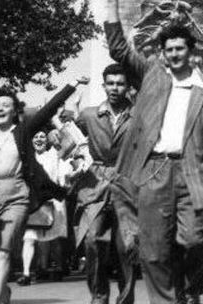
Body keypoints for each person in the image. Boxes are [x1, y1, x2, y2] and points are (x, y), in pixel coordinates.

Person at [103, 0, 203, 304]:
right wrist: (112, 3)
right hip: (154, 172)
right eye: (169, 49)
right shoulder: (151, 75)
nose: (175, 54)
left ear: (191, 53)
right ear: (162, 53)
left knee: (193, 240)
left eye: (180, 49)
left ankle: (191, 288)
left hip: (192, 173)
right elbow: (119, 48)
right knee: (154, 249)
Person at [0, 81, 83, 304]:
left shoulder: (22, 132)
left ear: (15, 111)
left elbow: (47, 110)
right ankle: (3, 294)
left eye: (7, 105)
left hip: (18, 196)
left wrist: (71, 85)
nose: (1, 109)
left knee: (3, 250)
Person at [74, 63, 138, 304]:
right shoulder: (90, 114)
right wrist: (75, 157)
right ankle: (99, 296)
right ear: (103, 86)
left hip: (128, 182)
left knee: (128, 246)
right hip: (95, 184)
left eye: (120, 83)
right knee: (92, 241)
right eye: (110, 83)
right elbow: (63, 134)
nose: (115, 88)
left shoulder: (139, 115)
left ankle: (125, 300)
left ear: (128, 87)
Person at [19, 127, 74, 284]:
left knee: (54, 238)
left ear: (47, 139)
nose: (39, 139)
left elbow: (64, 173)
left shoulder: (54, 156)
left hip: (53, 201)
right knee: (29, 238)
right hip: (34, 202)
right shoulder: (27, 158)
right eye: (35, 136)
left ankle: (57, 267)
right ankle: (26, 273)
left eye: (42, 136)